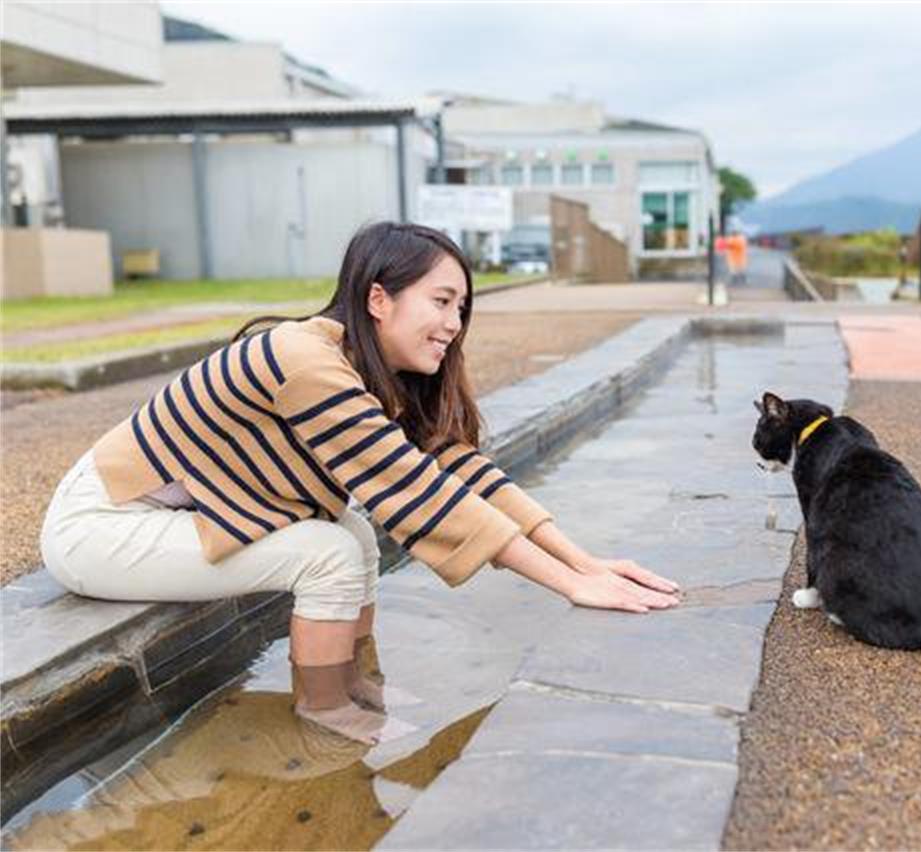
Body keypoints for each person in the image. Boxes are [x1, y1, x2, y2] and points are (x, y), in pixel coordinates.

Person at [39, 221, 681, 745]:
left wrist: (586, 561)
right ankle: (325, 710)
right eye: (441, 301)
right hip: (101, 526)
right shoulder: (303, 360)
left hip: (178, 515)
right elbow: (418, 496)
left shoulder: (373, 375)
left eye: (461, 306)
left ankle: (358, 682)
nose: (455, 322)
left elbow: (464, 473)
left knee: (353, 532)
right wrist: (570, 587)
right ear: (379, 299)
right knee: (330, 552)